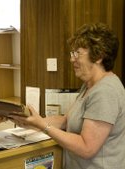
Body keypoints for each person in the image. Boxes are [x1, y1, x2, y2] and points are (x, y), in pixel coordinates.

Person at [10, 22, 125, 169]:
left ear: (99, 56)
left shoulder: (106, 91)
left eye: (77, 54)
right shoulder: (89, 85)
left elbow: (87, 147)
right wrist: (32, 122)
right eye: (72, 53)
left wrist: (42, 125)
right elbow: (66, 120)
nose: (72, 59)